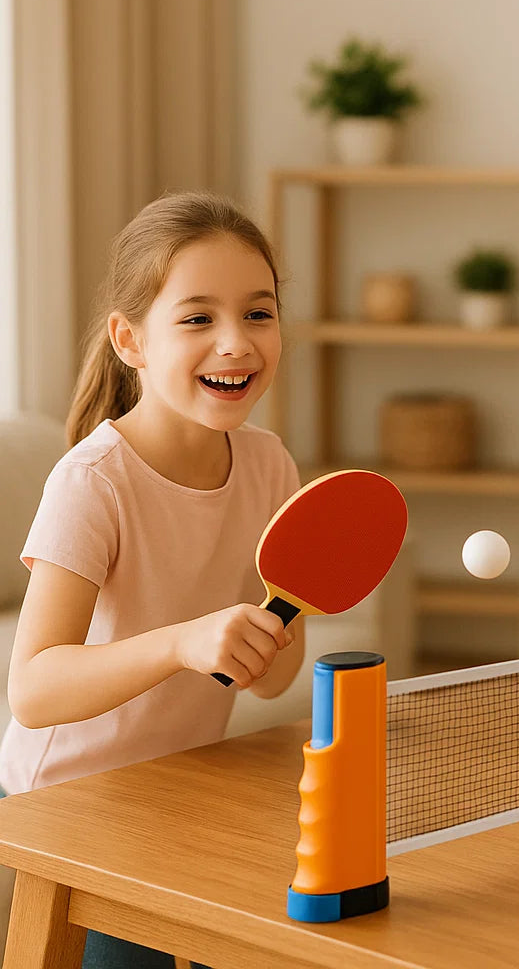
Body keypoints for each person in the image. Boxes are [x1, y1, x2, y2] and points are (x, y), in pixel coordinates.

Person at [0, 191, 304, 967]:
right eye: (198, 318)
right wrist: (184, 643)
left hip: (180, 784)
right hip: (69, 799)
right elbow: (32, 690)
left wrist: (265, 639)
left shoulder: (270, 466)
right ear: (130, 340)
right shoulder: (92, 482)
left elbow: (271, 682)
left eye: (259, 313)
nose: (235, 343)